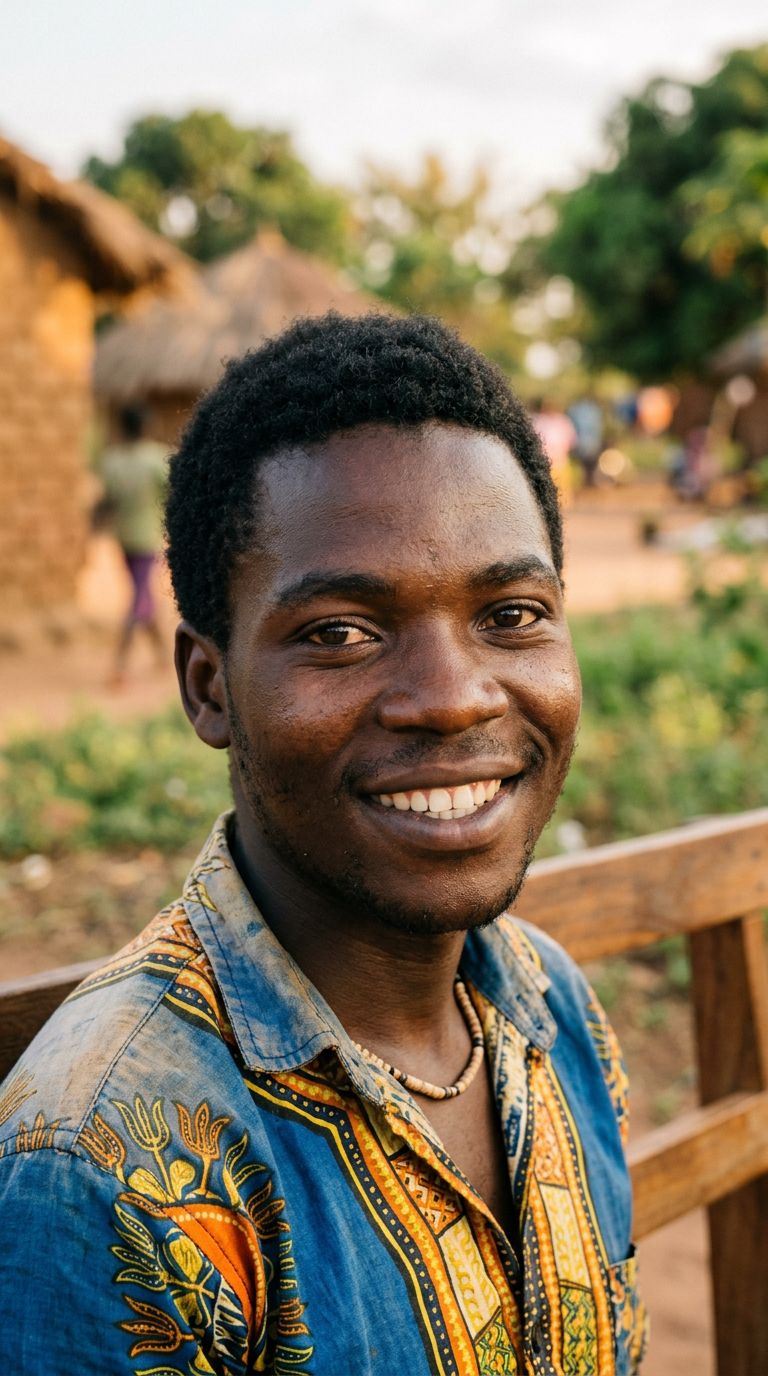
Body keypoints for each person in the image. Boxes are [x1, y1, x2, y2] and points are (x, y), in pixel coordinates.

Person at [0, 314, 647, 1374]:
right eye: (339, 631)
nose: (452, 698)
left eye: (513, 612)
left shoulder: (549, 1003)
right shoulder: (109, 1165)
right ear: (208, 686)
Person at [100, 403, 169, 684]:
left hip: (124, 538)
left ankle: (161, 654)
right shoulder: (155, 459)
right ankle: (120, 663)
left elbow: (108, 502)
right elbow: (173, 491)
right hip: (147, 538)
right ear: (145, 427)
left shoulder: (112, 461)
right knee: (139, 599)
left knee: (142, 593)